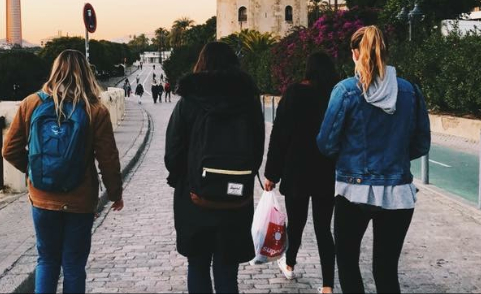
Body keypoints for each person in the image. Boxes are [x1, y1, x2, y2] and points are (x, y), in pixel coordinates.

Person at [316, 26, 431, 294]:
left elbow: (326, 142)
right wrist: (395, 159)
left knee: (347, 262)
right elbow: (421, 143)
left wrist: (348, 157)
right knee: (386, 270)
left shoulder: (345, 91)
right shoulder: (409, 91)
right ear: (386, 52)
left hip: (353, 190)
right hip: (398, 193)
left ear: (354, 54)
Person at [2, 49, 125, 294]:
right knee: (73, 265)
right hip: (80, 200)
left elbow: (10, 149)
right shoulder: (95, 110)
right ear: (86, 74)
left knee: (46, 260)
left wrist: (36, 171)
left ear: (55, 70)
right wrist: (115, 194)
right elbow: (108, 159)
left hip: (43, 198)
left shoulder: (32, 103)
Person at [165, 42, 265, 294]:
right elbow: (257, 150)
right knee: (227, 269)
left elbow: (172, 153)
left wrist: (184, 179)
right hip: (236, 198)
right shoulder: (249, 101)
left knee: (197, 265)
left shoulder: (189, 101)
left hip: (194, 197)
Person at [263, 52, 339, 293]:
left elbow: (280, 135)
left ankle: (290, 263)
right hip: (327, 170)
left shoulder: (295, 92)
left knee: (296, 223)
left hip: (297, 170)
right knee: (323, 229)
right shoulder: (335, 95)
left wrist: (271, 173)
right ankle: (328, 285)